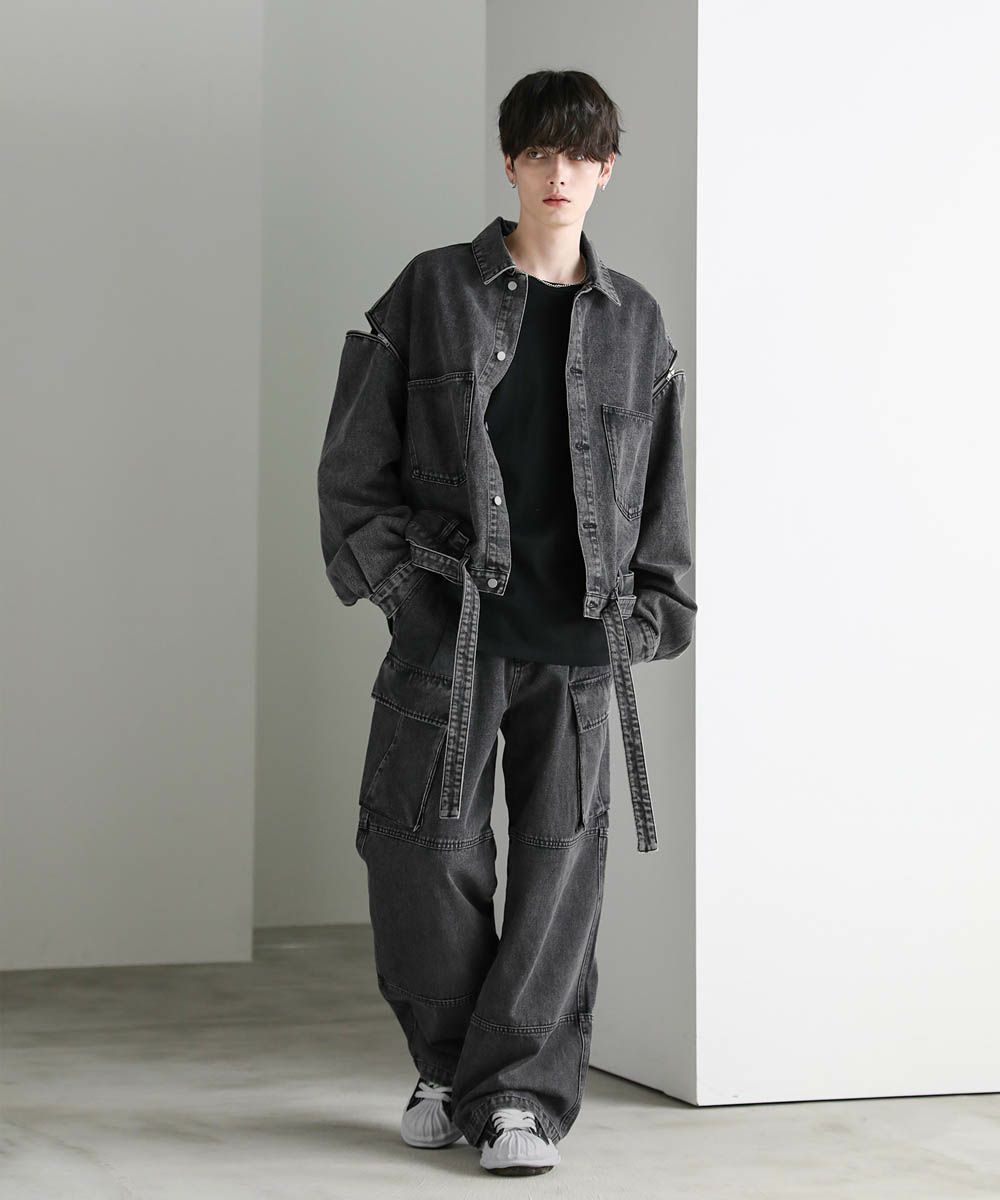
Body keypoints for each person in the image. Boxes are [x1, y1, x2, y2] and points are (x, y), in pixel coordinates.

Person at [317, 68, 696, 1177]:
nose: (558, 174)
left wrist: (651, 613)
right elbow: (352, 468)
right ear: (510, 164)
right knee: (419, 848)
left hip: (579, 646)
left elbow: (664, 486)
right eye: (539, 153)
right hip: (456, 630)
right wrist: (406, 592)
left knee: (557, 873)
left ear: (606, 170)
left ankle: (519, 1097)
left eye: (579, 156)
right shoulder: (433, 290)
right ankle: (448, 1070)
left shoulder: (636, 323)